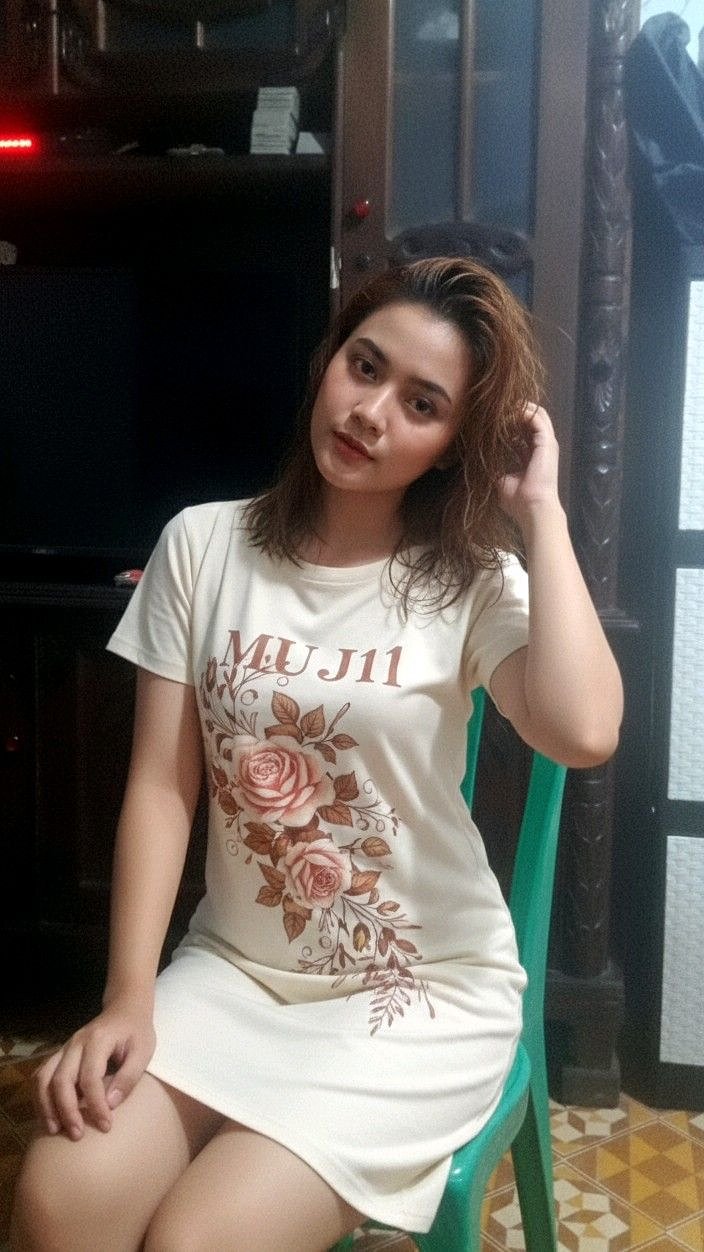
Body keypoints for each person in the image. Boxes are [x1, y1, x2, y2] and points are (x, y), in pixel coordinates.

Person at [10, 256, 623, 1252]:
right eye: (364, 366)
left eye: (421, 404)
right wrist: (128, 998)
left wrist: (540, 513)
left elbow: (584, 730)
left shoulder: (467, 579)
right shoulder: (201, 546)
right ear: (327, 360)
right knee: (60, 1199)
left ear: (450, 444)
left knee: (198, 1239)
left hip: (418, 995)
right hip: (235, 972)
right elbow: (162, 789)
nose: (372, 413)